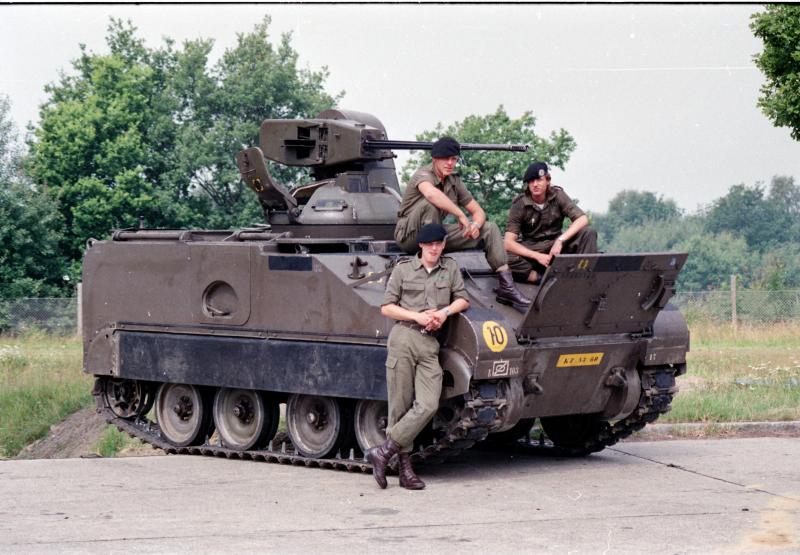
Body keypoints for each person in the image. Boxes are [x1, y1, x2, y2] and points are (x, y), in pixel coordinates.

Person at [366, 223, 470, 490]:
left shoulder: (450, 268)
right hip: (404, 336)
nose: (434, 248)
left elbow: (462, 299)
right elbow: (387, 307)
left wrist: (444, 313)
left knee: (428, 404)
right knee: (399, 405)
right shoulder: (403, 269)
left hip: (430, 343)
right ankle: (405, 471)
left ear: (443, 245)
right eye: (430, 244)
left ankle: (383, 452)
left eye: (439, 244)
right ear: (421, 246)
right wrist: (417, 316)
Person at [394, 136, 530, 308]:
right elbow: (431, 194)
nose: (450, 163)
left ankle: (506, 286)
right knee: (430, 205)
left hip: (436, 235)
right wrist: (460, 214)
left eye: (454, 159)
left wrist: (475, 225)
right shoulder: (423, 175)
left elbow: (478, 211)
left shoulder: (454, 181)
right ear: (434, 159)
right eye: (446, 159)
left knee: (489, 228)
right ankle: (431, 274)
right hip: (409, 236)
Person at [504, 162, 597, 284]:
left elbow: (582, 219)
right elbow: (508, 242)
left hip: (557, 246)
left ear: (547, 180)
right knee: (503, 257)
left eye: (539, 180)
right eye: (531, 181)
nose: (535, 184)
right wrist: (537, 256)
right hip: (533, 249)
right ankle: (540, 278)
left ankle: (583, 277)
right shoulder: (520, 204)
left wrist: (560, 240)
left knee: (588, 233)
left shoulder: (557, 195)